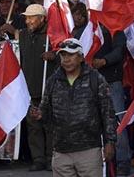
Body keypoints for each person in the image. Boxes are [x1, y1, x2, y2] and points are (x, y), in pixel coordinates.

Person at [32, 38, 116, 177]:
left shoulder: (95, 79)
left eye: (71, 55)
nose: (66, 59)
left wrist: (110, 142)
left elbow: (108, 113)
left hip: (89, 151)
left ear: (81, 57)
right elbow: (45, 111)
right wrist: (40, 115)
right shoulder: (52, 81)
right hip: (61, 153)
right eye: (63, 55)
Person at [20, 3, 56, 171]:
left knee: (50, 125)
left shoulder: (53, 35)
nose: (28, 21)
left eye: (32, 17)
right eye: (27, 17)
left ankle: (51, 158)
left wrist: (54, 55)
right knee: (33, 126)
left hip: (48, 89)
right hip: (29, 88)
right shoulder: (22, 35)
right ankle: (38, 159)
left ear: (42, 19)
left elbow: (66, 54)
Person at [91, 26, 130, 175]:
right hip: (91, 82)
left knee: (118, 123)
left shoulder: (116, 29)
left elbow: (119, 52)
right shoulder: (89, 28)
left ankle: (122, 162)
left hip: (112, 82)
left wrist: (104, 61)